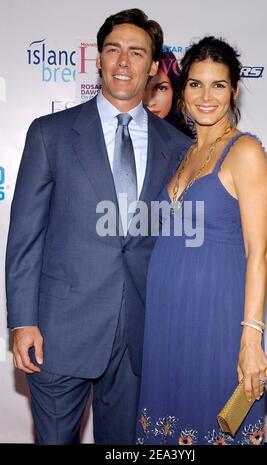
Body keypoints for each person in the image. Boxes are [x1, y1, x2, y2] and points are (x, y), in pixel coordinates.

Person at [5, 8, 192, 445]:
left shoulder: (179, 148)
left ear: (152, 66)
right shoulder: (50, 133)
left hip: (139, 338)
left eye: (136, 53)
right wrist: (22, 321)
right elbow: (25, 237)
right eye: (114, 50)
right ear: (99, 60)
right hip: (57, 332)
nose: (124, 62)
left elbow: (182, 246)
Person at [136, 36, 267, 445]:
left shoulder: (244, 151)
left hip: (215, 317)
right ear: (182, 91)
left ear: (233, 90)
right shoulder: (184, 153)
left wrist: (251, 338)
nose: (206, 96)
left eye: (218, 84)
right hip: (166, 318)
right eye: (196, 84)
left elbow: (259, 254)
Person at [143, 50, 193, 137]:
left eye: (161, 88)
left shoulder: (187, 144)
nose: (150, 102)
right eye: (141, 88)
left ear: (174, 91)